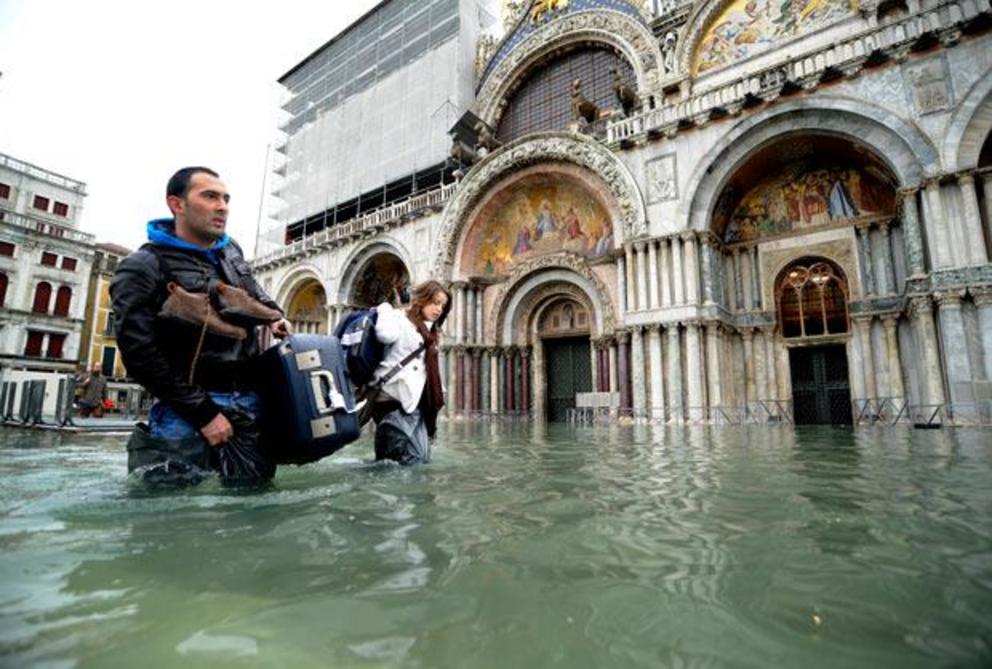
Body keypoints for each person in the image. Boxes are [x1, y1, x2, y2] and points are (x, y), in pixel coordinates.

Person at [110, 167, 289, 482]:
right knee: (169, 518)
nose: (223, 206)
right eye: (210, 196)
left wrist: (275, 316)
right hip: (185, 413)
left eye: (226, 198)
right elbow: (139, 355)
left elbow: (252, 291)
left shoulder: (231, 253)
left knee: (253, 511)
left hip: (249, 405)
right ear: (177, 205)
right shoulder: (141, 267)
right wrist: (204, 414)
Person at [370, 280, 451, 465]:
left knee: (411, 460)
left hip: (414, 403)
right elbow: (384, 335)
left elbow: (423, 367)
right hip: (392, 399)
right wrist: (385, 309)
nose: (438, 309)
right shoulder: (398, 318)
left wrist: (440, 390)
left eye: (442, 305)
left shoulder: (429, 332)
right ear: (422, 299)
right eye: (435, 302)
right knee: (409, 460)